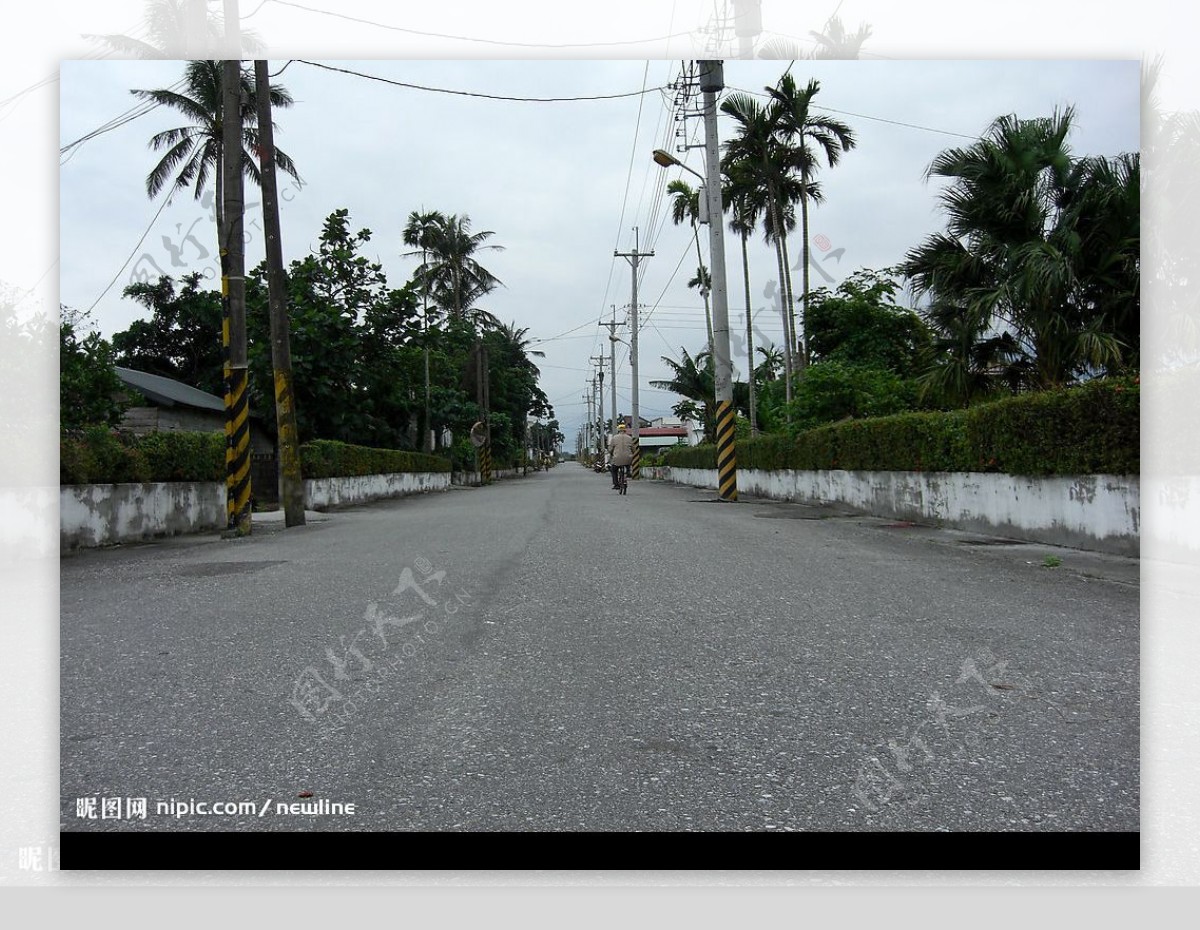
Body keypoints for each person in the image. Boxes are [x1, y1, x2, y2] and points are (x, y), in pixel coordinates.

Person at [607, 422, 633, 490]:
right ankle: (628, 472)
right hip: (628, 458)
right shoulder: (630, 438)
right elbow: (634, 449)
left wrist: (611, 453)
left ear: (618, 430)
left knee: (614, 470)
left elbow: (610, 449)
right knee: (628, 463)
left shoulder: (614, 438)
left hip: (617, 458)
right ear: (625, 430)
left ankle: (616, 484)